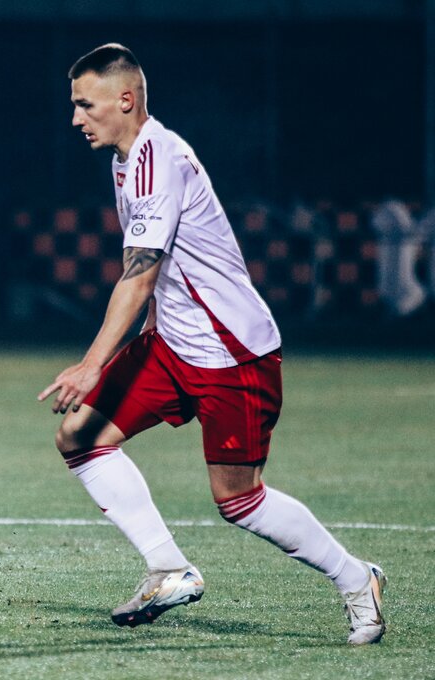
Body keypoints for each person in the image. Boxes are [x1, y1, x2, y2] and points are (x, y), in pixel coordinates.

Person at [38, 44, 385, 644]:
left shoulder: (157, 162)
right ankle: (168, 568)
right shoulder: (126, 160)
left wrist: (94, 364)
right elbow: (164, 266)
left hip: (232, 353)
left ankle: (357, 579)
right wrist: (151, 328)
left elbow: (138, 274)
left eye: (85, 105)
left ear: (126, 100)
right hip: (174, 344)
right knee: (79, 437)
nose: (75, 118)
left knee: (238, 500)